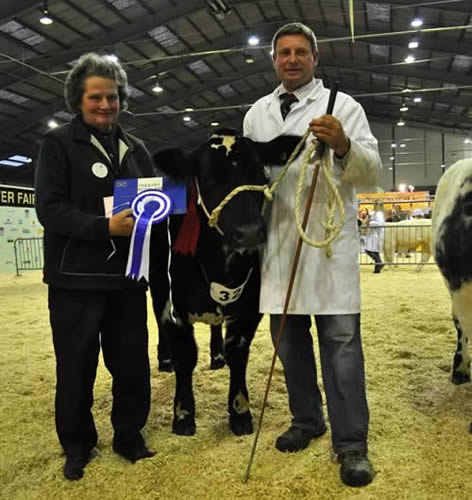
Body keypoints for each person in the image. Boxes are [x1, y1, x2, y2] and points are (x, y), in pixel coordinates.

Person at [243, 23, 381, 487]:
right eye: (284, 52)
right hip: (278, 250)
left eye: (301, 52)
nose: (292, 59)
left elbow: (371, 171)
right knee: (290, 347)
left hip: (326, 248)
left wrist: (343, 144)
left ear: (315, 58)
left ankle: (351, 443)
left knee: (342, 350)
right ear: (274, 60)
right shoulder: (256, 115)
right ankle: (307, 420)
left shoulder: (343, 106)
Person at [35, 53, 156, 481]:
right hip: (75, 281)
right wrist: (103, 226)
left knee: (131, 365)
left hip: (126, 281)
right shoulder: (57, 146)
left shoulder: (138, 150)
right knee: (76, 366)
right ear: (77, 100)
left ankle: (129, 435)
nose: (106, 105)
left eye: (112, 97)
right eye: (96, 98)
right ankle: (77, 443)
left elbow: (154, 209)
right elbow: (50, 210)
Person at [364, 201, 385, 273]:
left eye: (376, 204)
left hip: (376, 234)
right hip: (372, 233)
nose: (374, 205)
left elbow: (380, 223)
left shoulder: (379, 213)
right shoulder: (375, 213)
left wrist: (370, 222)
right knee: (374, 251)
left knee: (370, 250)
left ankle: (379, 263)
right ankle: (378, 267)